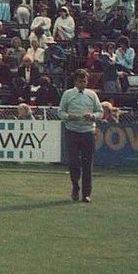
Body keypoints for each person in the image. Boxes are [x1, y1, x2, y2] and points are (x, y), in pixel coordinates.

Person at [57, 69, 101, 203]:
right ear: (75, 81)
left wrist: (93, 116)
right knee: (74, 162)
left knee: (88, 164)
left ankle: (86, 194)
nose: (83, 84)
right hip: (72, 132)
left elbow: (100, 112)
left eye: (85, 81)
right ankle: (75, 187)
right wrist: (69, 116)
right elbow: (60, 111)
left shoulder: (92, 95)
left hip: (88, 132)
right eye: (81, 81)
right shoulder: (68, 94)